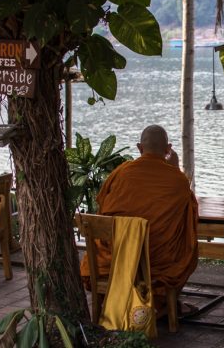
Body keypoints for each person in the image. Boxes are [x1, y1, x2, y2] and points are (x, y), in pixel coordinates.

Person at [80, 125, 199, 316]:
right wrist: (175, 168)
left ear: (139, 148)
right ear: (168, 149)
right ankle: (165, 305)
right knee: (187, 248)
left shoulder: (120, 172)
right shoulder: (177, 180)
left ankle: (109, 307)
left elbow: (102, 206)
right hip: (154, 264)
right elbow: (188, 215)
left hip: (114, 260)